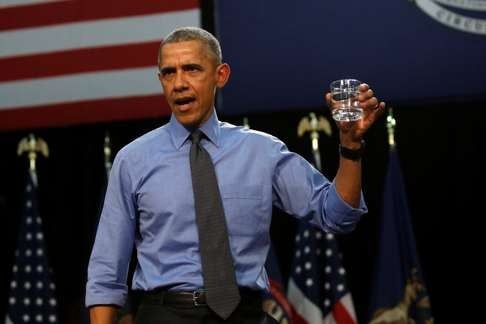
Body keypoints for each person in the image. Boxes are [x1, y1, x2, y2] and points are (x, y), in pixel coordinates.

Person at [86, 26, 385, 324]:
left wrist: (351, 146)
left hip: (245, 313)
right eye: (169, 72)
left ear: (221, 75)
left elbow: (337, 214)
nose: (179, 83)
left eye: (191, 69)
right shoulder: (132, 160)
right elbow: (106, 271)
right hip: (165, 314)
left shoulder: (262, 151)